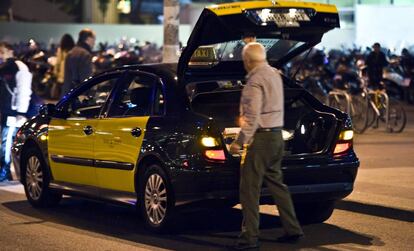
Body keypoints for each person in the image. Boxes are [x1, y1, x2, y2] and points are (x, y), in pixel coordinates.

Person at [229, 42, 303, 250]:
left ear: (248, 61)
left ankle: (249, 238)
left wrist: (239, 142)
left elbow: (251, 118)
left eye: (244, 60)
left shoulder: (254, 81)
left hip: (260, 141)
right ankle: (293, 229)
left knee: (249, 190)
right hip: (277, 137)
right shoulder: (274, 75)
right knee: (277, 185)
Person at [0, 42, 32, 181]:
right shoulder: (4, 67)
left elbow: (24, 90)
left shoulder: (19, 67)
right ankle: (6, 170)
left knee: (7, 142)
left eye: (2, 51)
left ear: (10, 51)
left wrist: (21, 111)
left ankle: (5, 170)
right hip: (7, 110)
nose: (0, 55)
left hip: (14, 112)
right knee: (6, 141)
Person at [61, 28, 96, 98]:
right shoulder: (85, 54)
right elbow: (86, 79)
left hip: (67, 94)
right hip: (79, 96)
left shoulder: (71, 52)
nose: (94, 42)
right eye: (94, 39)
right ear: (89, 39)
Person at [51, 33, 74, 99]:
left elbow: (58, 62)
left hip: (62, 73)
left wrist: (55, 73)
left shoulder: (61, 49)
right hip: (70, 73)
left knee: (63, 91)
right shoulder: (73, 49)